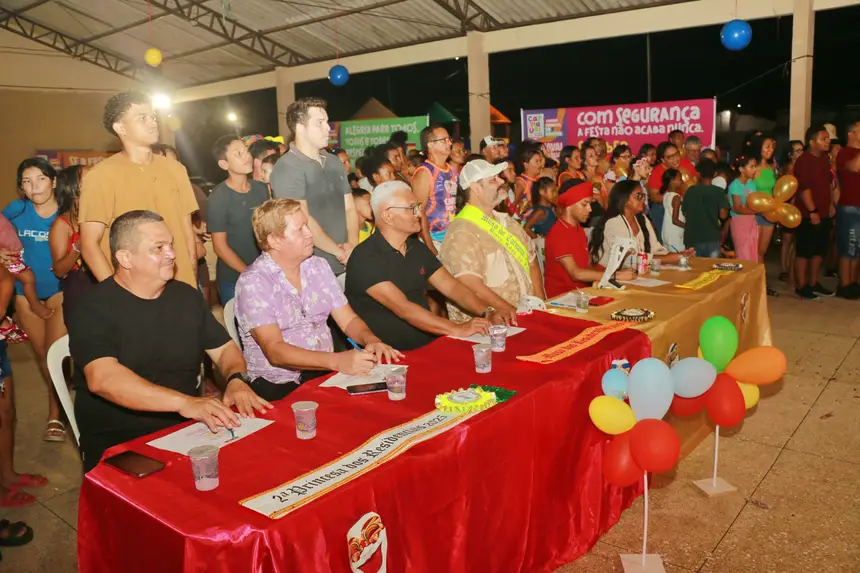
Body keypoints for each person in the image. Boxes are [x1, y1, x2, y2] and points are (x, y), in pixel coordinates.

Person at [68, 210, 272, 472]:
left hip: (187, 428)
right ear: (125, 258)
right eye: (158, 247)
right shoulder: (93, 307)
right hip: (121, 440)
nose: (172, 254)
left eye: (171, 244)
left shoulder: (185, 296)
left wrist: (236, 380)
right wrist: (185, 403)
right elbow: (103, 379)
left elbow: (224, 350)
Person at [234, 199, 401, 400]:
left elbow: (348, 320)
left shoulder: (317, 267)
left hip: (324, 373)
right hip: (278, 384)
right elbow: (275, 350)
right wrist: (336, 361)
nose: (310, 234)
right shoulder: (253, 282)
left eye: (307, 225)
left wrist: (371, 340)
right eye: (300, 229)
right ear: (274, 241)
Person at [345, 181, 513, 350]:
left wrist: (487, 312)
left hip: (426, 344)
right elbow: (404, 308)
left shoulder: (416, 248)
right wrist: (457, 328)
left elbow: (452, 287)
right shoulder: (364, 258)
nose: (419, 213)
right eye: (411, 208)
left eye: (418, 206)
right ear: (388, 216)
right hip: (387, 354)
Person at [80, 92, 199, 288]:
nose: (152, 123)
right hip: (133, 292)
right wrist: (118, 295)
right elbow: (89, 245)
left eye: (153, 117)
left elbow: (187, 234)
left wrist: (191, 280)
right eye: (142, 118)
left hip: (181, 286)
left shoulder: (176, 169)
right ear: (120, 127)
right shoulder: (101, 176)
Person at [3, 158, 67, 442]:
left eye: (40, 179)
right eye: (27, 182)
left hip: (59, 291)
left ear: (53, 181)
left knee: (55, 353)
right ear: (21, 188)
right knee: (42, 355)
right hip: (23, 293)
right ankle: (58, 406)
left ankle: (56, 412)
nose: (34, 186)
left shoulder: (66, 211)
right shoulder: (16, 211)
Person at [439, 161, 544, 322]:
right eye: (493, 180)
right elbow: (471, 285)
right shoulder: (461, 231)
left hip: (526, 319)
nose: (502, 181)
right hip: (490, 329)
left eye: (499, 177)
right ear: (475, 188)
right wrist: (514, 314)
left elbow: (532, 263)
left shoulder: (508, 222)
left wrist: (540, 308)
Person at [269, 97, 358, 281]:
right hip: (312, 268)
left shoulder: (333, 162)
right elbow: (303, 220)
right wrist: (339, 252)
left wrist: (353, 246)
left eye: (327, 122)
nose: (328, 128)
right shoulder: (287, 167)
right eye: (320, 123)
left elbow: (350, 207)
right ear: (300, 128)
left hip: (348, 258)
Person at [206, 135, 270, 304]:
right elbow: (220, 247)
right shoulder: (219, 197)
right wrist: (249, 272)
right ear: (224, 164)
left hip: (266, 273)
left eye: (246, 151)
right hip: (234, 279)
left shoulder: (261, 189)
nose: (247, 156)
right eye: (238, 153)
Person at [544, 181, 634, 298]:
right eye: (584, 204)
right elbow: (576, 274)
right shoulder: (559, 232)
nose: (590, 209)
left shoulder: (578, 230)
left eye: (590, 204)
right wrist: (614, 275)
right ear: (569, 205)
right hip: (563, 298)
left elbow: (587, 266)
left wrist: (616, 264)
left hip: (582, 294)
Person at [589, 180, 693, 268]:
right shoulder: (614, 222)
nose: (643, 199)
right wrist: (668, 259)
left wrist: (678, 255)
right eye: (639, 196)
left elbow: (655, 249)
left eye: (643, 196)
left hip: (636, 274)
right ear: (625, 200)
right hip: (613, 277)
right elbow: (627, 260)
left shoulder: (642, 219)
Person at [49, 165, 97, 326]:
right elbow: (59, 270)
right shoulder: (62, 224)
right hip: (80, 290)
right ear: (72, 187)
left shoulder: (101, 213)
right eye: (87, 177)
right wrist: (78, 246)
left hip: (105, 285)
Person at [794, 125, 836, 300]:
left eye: (828, 138)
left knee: (820, 249)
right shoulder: (804, 160)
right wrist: (813, 211)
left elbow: (828, 183)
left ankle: (813, 283)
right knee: (805, 250)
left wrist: (831, 204)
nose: (827, 141)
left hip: (824, 211)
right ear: (812, 142)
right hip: (808, 214)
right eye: (823, 138)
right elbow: (804, 188)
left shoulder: (825, 158)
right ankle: (801, 286)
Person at [412, 125, 457, 255]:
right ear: (430, 145)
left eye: (449, 139)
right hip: (433, 239)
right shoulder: (425, 173)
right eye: (444, 140)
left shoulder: (452, 171)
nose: (449, 143)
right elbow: (418, 211)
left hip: (450, 237)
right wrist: (430, 246)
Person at [681, 159, 730, 258]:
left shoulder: (691, 191)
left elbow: (685, 212)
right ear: (715, 174)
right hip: (712, 237)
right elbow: (723, 215)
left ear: (698, 174)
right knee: (711, 271)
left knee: (693, 270)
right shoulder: (719, 192)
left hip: (693, 237)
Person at [835, 120, 860, 299]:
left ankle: (853, 283)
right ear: (851, 134)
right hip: (850, 206)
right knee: (848, 247)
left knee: (857, 249)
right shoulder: (844, 152)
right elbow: (853, 167)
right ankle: (844, 284)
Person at [751, 134, 779, 295]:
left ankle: (761, 284)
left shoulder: (771, 168)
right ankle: (759, 285)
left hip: (770, 214)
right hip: (755, 213)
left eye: (772, 146)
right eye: (767, 146)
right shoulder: (754, 168)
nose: (770, 149)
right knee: (754, 252)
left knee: (762, 252)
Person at [728, 155, 760, 263]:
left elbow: (754, 203)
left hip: (751, 220)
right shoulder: (735, 185)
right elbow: (737, 208)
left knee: (752, 251)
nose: (754, 169)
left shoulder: (752, 184)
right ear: (741, 169)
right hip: (739, 222)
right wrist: (756, 211)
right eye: (751, 167)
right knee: (742, 253)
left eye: (755, 166)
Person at [647, 142, 681, 239]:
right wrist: (675, 200)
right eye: (670, 157)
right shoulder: (657, 172)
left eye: (676, 154)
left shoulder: (684, 164)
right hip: (663, 211)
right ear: (662, 159)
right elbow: (654, 197)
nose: (676, 159)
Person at [512, 142, 544, 221]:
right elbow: (512, 207)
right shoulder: (521, 183)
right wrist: (523, 207)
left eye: (540, 161)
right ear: (526, 165)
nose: (540, 165)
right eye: (537, 161)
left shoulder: (537, 179)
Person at [660, 168, 686, 251]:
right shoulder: (676, 197)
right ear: (672, 181)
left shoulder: (666, 195)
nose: (681, 181)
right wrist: (688, 227)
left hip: (667, 233)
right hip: (675, 235)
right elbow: (675, 220)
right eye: (679, 179)